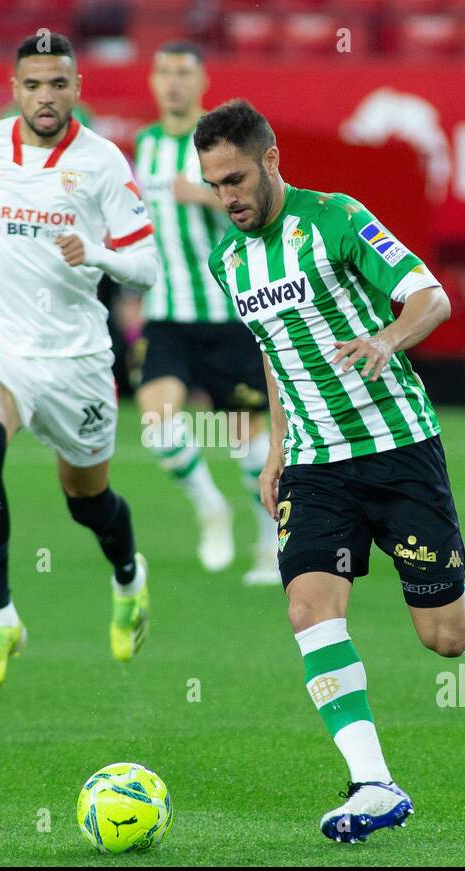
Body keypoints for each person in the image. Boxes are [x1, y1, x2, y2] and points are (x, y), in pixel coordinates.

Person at [196, 100, 465, 843]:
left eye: (237, 179)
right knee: (309, 610)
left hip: (396, 450)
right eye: (214, 185)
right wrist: (278, 448)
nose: (229, 198)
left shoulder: (336, 219)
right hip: (315, 465)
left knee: (443, 635)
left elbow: (429, 296)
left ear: (271, 159)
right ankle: (373, 781)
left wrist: (386, 338)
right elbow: (276, 354)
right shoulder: (230, 259)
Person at [0, 33, 159, 692]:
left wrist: (98, 252)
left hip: (77, 358)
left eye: (58, 84)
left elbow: (148, 265)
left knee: (87, 502)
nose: (45, 97)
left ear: (77, 87)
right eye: (33, 85)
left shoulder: (104, 163)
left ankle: (128, 579)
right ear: (14, 88)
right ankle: (1, 617)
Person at [133, 41, 278, 584]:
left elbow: (264, 207)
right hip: (166, 311)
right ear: (153, 81)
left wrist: (205, 196)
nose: (172, 82)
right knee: (157, 420)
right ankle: (209, 507)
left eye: (183, 72)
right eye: (164, 71)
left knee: (248, 442)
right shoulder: (143, 144)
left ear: (202, 81)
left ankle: (269, 543)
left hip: (227, 315)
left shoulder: (219, 146)